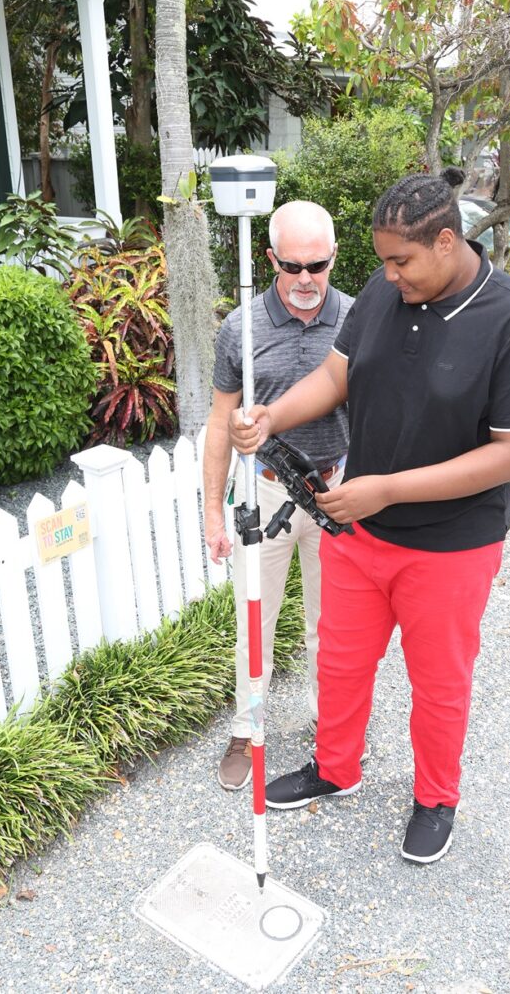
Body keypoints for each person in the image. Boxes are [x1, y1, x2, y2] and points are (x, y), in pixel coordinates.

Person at [229, 168, 510, 863]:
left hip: (451, 546)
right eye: (382, 260)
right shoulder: (384, 293)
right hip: (359, 529)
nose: (386, 275)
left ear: (446, 241)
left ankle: (437, 796)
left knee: (439, 682)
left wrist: (388, 488)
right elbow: (335, 375)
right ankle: (335, 767)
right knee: (341, 663)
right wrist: (269, 416)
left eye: (400, 260)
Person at [204, 200, 354, 791]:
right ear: (270, 260)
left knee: (332, 625)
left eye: (317, 265)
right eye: (292, 267)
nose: (306, 280)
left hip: (334, 491)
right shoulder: (240, 329)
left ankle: (330, 726)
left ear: (333, 257)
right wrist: (212, 511)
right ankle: (247, 727)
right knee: (254, 618)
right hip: (264, 494)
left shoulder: (357, 320)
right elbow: (220, 424)